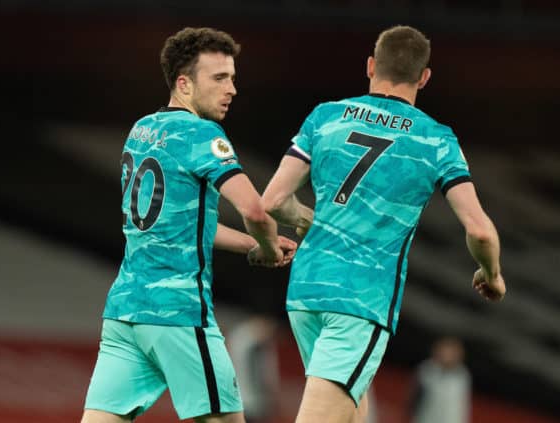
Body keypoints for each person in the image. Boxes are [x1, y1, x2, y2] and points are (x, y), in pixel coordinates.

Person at [261, 25, 506, 423]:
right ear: (424, 78)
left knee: (353, 413)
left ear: (371, 66)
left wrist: (310, 221)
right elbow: (479, 230)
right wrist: (491, 272)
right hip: (360, 303)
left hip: (305, 292)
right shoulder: (435, 140)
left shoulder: (325, 117)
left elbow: (272, 200)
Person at [81, 27, 296, 423]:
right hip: (178, 312)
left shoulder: (140, 130)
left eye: (232, 78)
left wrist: (251, 246)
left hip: (125, 314)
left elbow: (188, 225)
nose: (231, 89)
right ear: (183, 83)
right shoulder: (201, 133)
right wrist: (266, 250)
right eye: (219, 78)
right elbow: (255, 210)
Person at [409, 337, 471, 423]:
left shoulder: (462, 377)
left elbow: (461, 408)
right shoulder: (426, 370)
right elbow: (413, 398)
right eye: (444, 351)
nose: (446, 355)